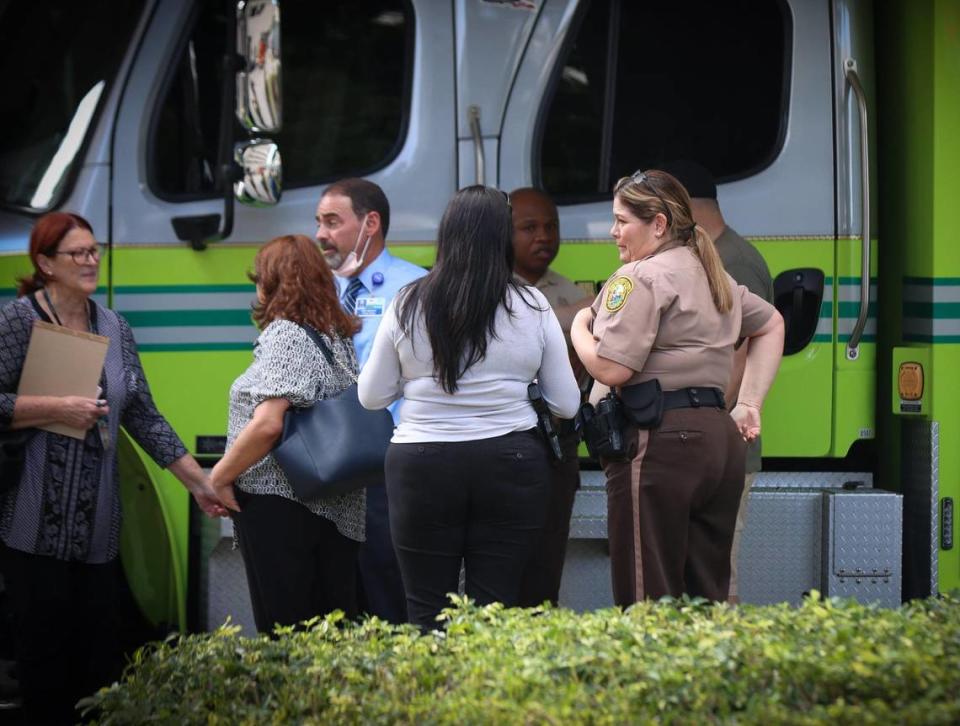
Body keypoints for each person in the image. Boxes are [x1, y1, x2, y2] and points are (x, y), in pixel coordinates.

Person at [0, 212, 224, 724]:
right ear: (44, 263)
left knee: (99, 668)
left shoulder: (114, 326)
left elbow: (142, 413)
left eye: (93, 250)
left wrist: (198, 482)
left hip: (99, 531)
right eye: (76, 253)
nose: (89, 260)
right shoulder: (19, 321)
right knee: (44, 668)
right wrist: (55, 408)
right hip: (33, 528)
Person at [358, 186, 580, 630]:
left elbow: (371, 396)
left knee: (425, 610)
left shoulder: (408, 302)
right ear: (502, 237)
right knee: (494, 610)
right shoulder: (531, 304)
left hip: (421, 462)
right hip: (511, 463)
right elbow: (566, 403)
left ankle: (433, 695)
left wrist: (417, 379)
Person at [570, 170, 784, 605]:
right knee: (708, 593)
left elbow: (612, 369)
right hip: (719, 440)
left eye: (621, 220)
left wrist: (579, 329)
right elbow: (772, 323)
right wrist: (747, 404)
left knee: (647, 594)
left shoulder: (641, 277)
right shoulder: (715, 275)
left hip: (659, 440)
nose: (613, 232)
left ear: (660, 224)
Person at [210, 235, 365, 633]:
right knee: (328, 629)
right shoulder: (337, 336)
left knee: (285, 631)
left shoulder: (287, 335)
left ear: (272, 283)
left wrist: (219, 477)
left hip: (283, 505)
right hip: (336, 506)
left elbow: (268, 423)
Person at [659, 160, 775, 604]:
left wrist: (695, 424)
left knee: (714, 578)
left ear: (677, 208)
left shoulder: (733, 262)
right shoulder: (715, 256)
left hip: (718, 449)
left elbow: (737, 361)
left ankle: (724, 667)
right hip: (710, 447)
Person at [315, 178, 426, 625]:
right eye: (318, 222)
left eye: (332, 222)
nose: (320, 234)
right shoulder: (317, 288)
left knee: (387, 578)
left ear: (370, 224)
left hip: (389, 460)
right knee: (335, 586)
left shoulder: (416, 287)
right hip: (326, 461)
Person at [509, 187, 592, 607]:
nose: (543, 236)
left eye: (551, 226)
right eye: (529, 228)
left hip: (558, 441)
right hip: (507, 440)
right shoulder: (493, 291)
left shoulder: (569, 290)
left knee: (548, 552)